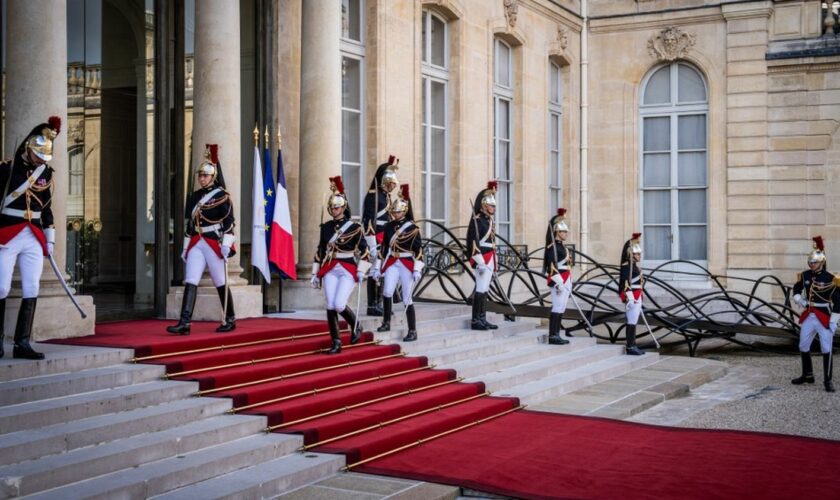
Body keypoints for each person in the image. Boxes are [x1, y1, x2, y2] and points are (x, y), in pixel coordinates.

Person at [0, 117, 61, 359]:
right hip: (7, 232)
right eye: (38, 155)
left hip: (33, 234)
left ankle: (21, 342)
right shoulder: (6, 168)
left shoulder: (45, 172)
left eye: (44, 157)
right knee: (2, 286)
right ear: (28, 147)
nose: (40, 161)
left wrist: (50, 237)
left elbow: (46, 207)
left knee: (31, 286)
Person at [167, 145, 237, 335]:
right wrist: (185, 247)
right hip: (197, 241)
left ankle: (230, 319)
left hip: (214, 242)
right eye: (200, 175)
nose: (201, 178)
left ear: (212, 177)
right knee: (191, 279)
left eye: (205, 175)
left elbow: (230, 222)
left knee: (220, 281)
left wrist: (226, 244)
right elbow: (190, 224)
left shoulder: (222, 196)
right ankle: (184, 323)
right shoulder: (195, 196)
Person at [311, 176, 370, 354]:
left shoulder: (355, 228)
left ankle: (356, 325)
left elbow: (365, 251)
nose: (334, 209)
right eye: (332, 207)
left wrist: (361, 270)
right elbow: (320, 251)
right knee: (330, 304)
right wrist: (315, 273)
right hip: (330, 267)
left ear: (343, 207)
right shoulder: (326, 227)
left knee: (339, 304)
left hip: (348, 267)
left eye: (337, 207)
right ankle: (336, 341)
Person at [791, 236, 840, 392]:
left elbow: (838, 302)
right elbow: (796, 288)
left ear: (822, 262)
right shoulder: (805, 275)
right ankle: (808, 375)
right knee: (803, 344)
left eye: (815, 262)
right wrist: (799, 299)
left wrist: (833, 321)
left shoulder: (831, 279)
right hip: (809, 314)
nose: (812, 265)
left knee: (826, 348)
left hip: (824, 315)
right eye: (810, 262)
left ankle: (828, 380)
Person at [375, 184, 424, 341]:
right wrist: (377, 267)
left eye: (398, 211)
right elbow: (383, 248)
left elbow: (419, 250)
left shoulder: (413, 228)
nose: (395, 214)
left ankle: (412, 330)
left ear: (404, 211)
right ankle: (386, 321)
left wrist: (417, 268)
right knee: (387, 291)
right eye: (394, 211)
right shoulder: (389, 226)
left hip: (407, 262)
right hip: (392, 261)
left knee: (406, 297)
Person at [362, 155, 399, 316]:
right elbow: (368, 221)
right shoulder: (373, 196)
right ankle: (372, 305)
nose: (392, 186)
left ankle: (379, 302)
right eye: (390, 183)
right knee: (374, 271)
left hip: (385, 238)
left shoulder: (385, 196)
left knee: (382, 271)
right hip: (376, 237)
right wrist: (371, 245)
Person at [466, 181, 498, 331]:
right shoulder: (477, 220)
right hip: (482, 258)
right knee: (480, 288)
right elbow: (472, 242)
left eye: (494, 206)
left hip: (490, 257)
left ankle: (482, 318)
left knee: (485, 289)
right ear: (484, 205)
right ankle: (475, 320)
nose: (493, 208)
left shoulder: (488, 220)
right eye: (491, 205)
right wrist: (478, 261)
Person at [544, 208, 572, 345]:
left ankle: (557, 334)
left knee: (561, 308)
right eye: (563, 231)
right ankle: (552, 335)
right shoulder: (552, 247)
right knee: (557, 307)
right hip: (558, 280)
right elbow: (551, 267)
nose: (565, 233)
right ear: (556, 232)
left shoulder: (562, 247)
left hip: (566, 278)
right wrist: (558, 282)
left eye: (566, 231)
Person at [618, 233, 645, 355]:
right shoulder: (626, 267)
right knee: (631, 321)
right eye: (637, 254)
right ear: (631, 254)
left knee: (634, 320)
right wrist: (629, 299)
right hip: (632, 297)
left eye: (639, 253)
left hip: (637, 295)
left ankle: (633, 344)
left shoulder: (634, 267)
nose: (639, 256)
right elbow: (625, 284)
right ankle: (630, 346)